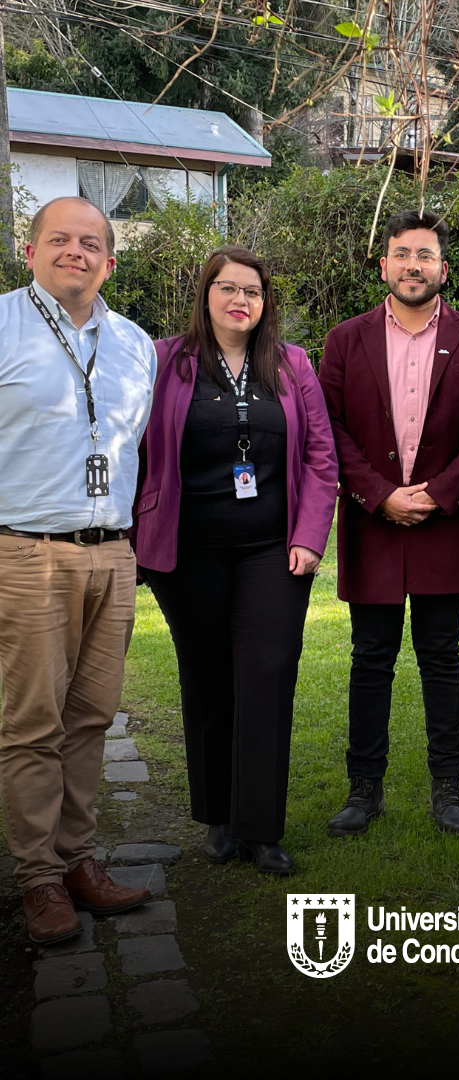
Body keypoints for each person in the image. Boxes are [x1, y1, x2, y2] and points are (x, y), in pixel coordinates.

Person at [134, 246, 338, 875]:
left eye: (252, 290)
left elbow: (321, 456)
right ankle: (219, 818)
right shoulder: (164, 361)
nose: (240, 300)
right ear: (206, 295)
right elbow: (132, 446)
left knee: (267, 674)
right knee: (207, 677)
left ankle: (261, 828)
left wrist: (309, 535)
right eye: (227, 288)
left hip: (272, 549)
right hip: (187, 550)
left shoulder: (292, 365)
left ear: (265, 301)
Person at [318, 209, 459, 836]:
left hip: (443, 523)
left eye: (425, 255)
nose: (413, 266)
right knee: (370, 658)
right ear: (384, 266)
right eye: (402, 254)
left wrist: (441, 493)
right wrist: (378, 495)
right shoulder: (346, 341)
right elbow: (328, 427)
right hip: (371, 521)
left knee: (441, 656)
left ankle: (447, 789)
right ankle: (363, 790)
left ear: (443, 269)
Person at [0, 196, 156, 943]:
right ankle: (38, 878)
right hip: (27, 552)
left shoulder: (134, 344)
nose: (76, 251)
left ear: (109, 262)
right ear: (29, 251)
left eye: (90, 242)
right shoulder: (3, 325)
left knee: (91, 716)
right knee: (32, 722)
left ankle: (76, 860)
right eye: (59, 238)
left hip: (112, 554)